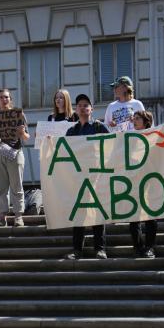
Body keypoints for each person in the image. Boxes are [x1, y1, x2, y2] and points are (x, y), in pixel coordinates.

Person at [65, 94, 109, 259]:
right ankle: (77, 249)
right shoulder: (71, 131)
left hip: (97, 176)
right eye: (79, 105)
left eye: (86, 105)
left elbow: (114, 145)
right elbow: (63, 151)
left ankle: (100, 248)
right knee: (79, 213)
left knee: (98, 212)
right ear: (76, 110)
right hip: (78, 178)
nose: (82, 108)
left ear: (92, 109)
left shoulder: (99, 127)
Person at [0, 89, 29, 227]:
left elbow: (27, 137)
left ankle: (18, 216)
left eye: (6, 97)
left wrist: (22, 133)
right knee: (1, 187)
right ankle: (2, 216)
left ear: (10, 99)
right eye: (1, 97)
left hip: (15, 153)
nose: (4, 99)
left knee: (17, 185)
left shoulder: (18, 115)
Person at [129, 111, 158, 258]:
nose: (134, 121)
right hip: (133, 181)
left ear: (146, 121)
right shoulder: (128, 139)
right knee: (134, 216)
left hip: (151, 181)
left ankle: (149, 247)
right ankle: (138, 246)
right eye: (133, 119)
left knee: (150, 215)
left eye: (138, 118)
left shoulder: (154, 137)